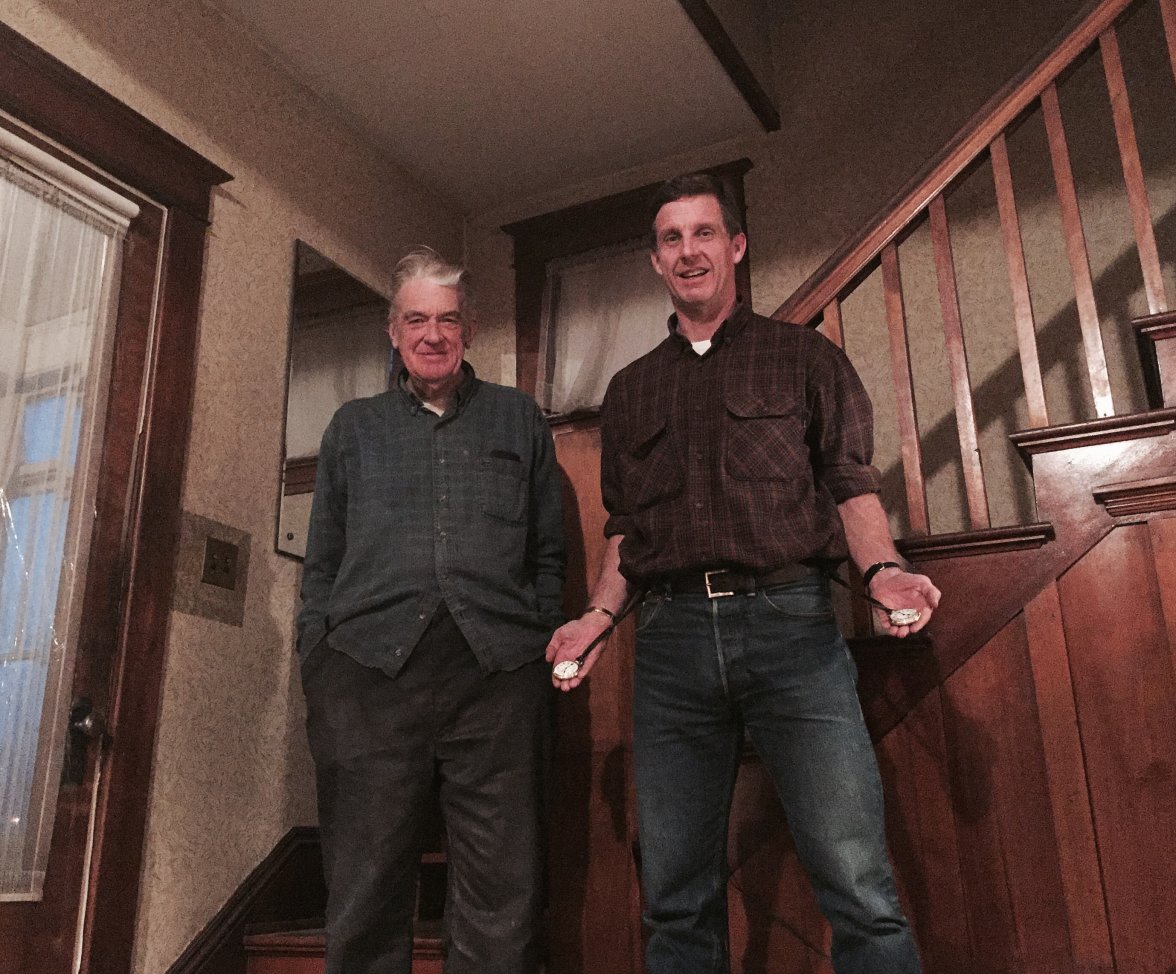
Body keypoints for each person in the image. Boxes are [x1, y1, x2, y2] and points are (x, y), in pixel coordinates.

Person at [546, 172, 940, 974]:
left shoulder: (805, 359)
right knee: (674, 898)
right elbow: (627, 530)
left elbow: (849, 483)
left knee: (858, 885)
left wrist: (883, 571)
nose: (688, 251)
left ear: (735, 246)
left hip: (792, 629)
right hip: (671, 644)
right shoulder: (629, 389)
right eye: (671, 238)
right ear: (656, 261)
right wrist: (597, 616)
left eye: (703, 233)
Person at [297, 246, 565, 974]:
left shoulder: (518, 419)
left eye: (447, 319)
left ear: (469, 329)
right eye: (416, 319)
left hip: (498, 683)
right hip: (366, 681)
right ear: (393, 331)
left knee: (503, 897)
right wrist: (318, 661)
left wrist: (534, 651)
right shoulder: (352, 428)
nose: (433, 334)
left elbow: (548, 555)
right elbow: (321, 564)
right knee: (364, 892)